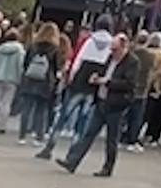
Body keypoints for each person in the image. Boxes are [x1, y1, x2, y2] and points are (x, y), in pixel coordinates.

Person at [58, 31, 137, 177]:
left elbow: (129, 84)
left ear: (124, 47)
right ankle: (72, 162)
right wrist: (96, 76)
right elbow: (103, 70)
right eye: (111, 49)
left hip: (116, 104)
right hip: (101, 100)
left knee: (111, 138)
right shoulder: (109, 58)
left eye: (115, 49)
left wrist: (107, 82)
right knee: (88, 133)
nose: (112, 52)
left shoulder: (132, 62)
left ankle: (108, 167)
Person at [35, 14, 112, 160]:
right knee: (82, 122)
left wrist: (71, 77)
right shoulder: (110, 44)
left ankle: (49, 147)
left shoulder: (89, 40)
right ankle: (72, 153)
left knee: (63, 116)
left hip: (80, 80)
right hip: (94, 83)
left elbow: (78, 60)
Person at [17, 21, 60, 144]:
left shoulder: (33, 46)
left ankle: (22, 135)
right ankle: (38, 135)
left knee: (26, 108)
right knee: (41, 110)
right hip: (45, 82)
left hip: (30, 79)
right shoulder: (54, 49)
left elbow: (25, 63)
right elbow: (56, 67)